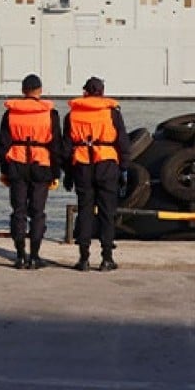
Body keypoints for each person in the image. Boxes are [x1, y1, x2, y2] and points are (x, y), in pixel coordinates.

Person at [0, 73, 64, 269]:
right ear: (40, 91)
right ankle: (35, 256)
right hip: (41, 165)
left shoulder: (10, 113)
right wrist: (56, 173)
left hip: (16, 165)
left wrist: (5, 170)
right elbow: (56, 146)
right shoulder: (50, 114)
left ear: (23, 91)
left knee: (18, 211)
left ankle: (19, 256)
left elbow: (2, 145)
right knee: (38, 212)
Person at [64, 76, 130, 272]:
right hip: (107, 164)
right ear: (102, 92)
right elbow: (123, 142)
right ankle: (106, 258)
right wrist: (124, 168)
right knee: (107, 213)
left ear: (85, 91)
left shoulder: (72, 115)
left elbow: (66, 147)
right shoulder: (112, 114)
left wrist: (67, 172)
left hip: (82, 165)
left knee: (85, 211)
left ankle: (83, 259)